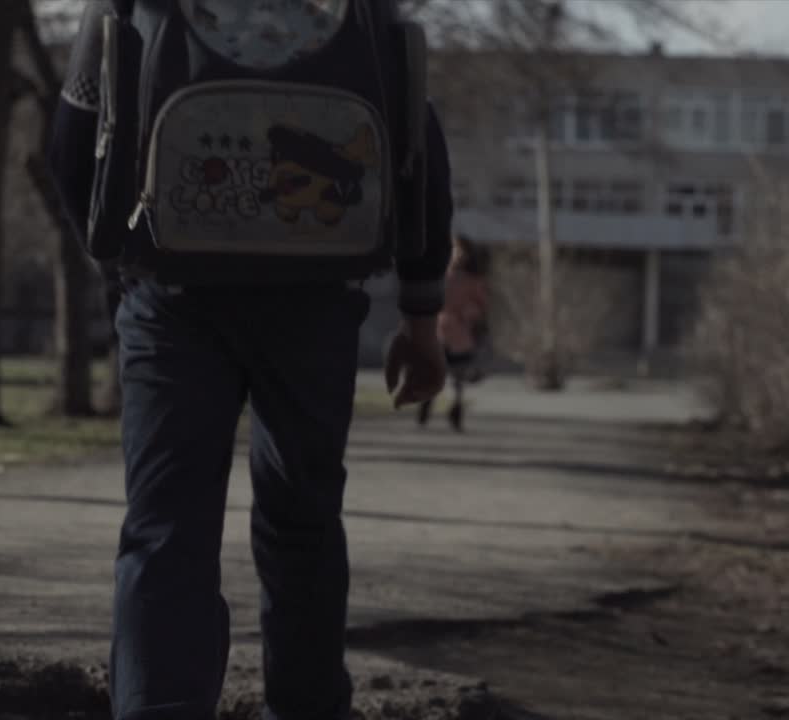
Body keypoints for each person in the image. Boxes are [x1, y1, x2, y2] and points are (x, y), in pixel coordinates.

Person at [49, 2, 453, 717]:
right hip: (315, 299)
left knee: (166, 528)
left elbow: (71, 145)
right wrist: (421, 317)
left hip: (171, 298)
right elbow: (417, 153)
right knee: (303, 520)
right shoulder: (365, 9)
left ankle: (157, 706)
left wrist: (123, 263)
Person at [417, 234, 490, 432]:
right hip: (439, 331)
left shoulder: (473, 280)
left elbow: (481, 306)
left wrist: (470, 313)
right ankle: (426, 405)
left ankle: (455, 413)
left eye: (462, 251)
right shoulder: (440, 275)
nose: (458, 255)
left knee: (457, 377)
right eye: (455, 250)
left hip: (460, 334)